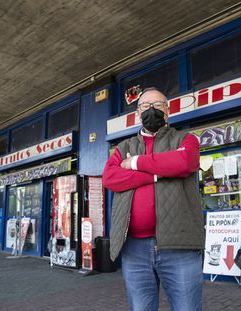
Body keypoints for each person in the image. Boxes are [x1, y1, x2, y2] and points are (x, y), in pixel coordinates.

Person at [103, 87, 204, 311]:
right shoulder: (123, 147)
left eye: (158, 105)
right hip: (134, 249)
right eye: (145, 106)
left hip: (180, 245)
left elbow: (185, 162)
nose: (151, 110)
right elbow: (110, 178)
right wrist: (158, 174)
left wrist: (137, 163)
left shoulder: (185, 139)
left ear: (168, 111)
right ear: (138, 113)